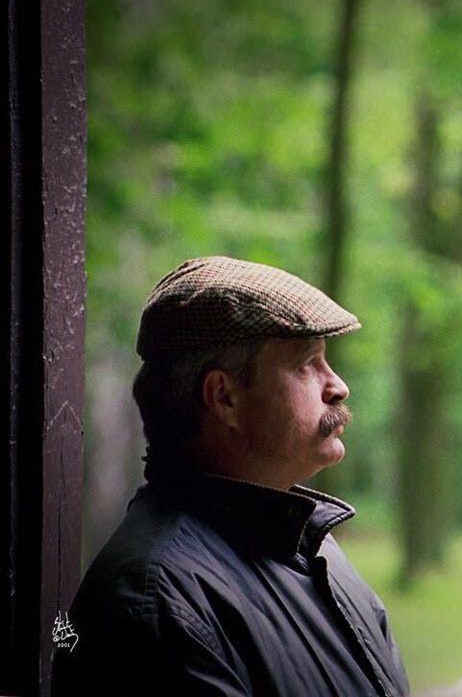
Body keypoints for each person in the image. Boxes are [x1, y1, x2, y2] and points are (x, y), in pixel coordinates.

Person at [53, 256, 410, 696]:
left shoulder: (310, 547)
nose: (337, 386)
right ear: (224, 398)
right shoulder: (155, 606)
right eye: (306, 364)